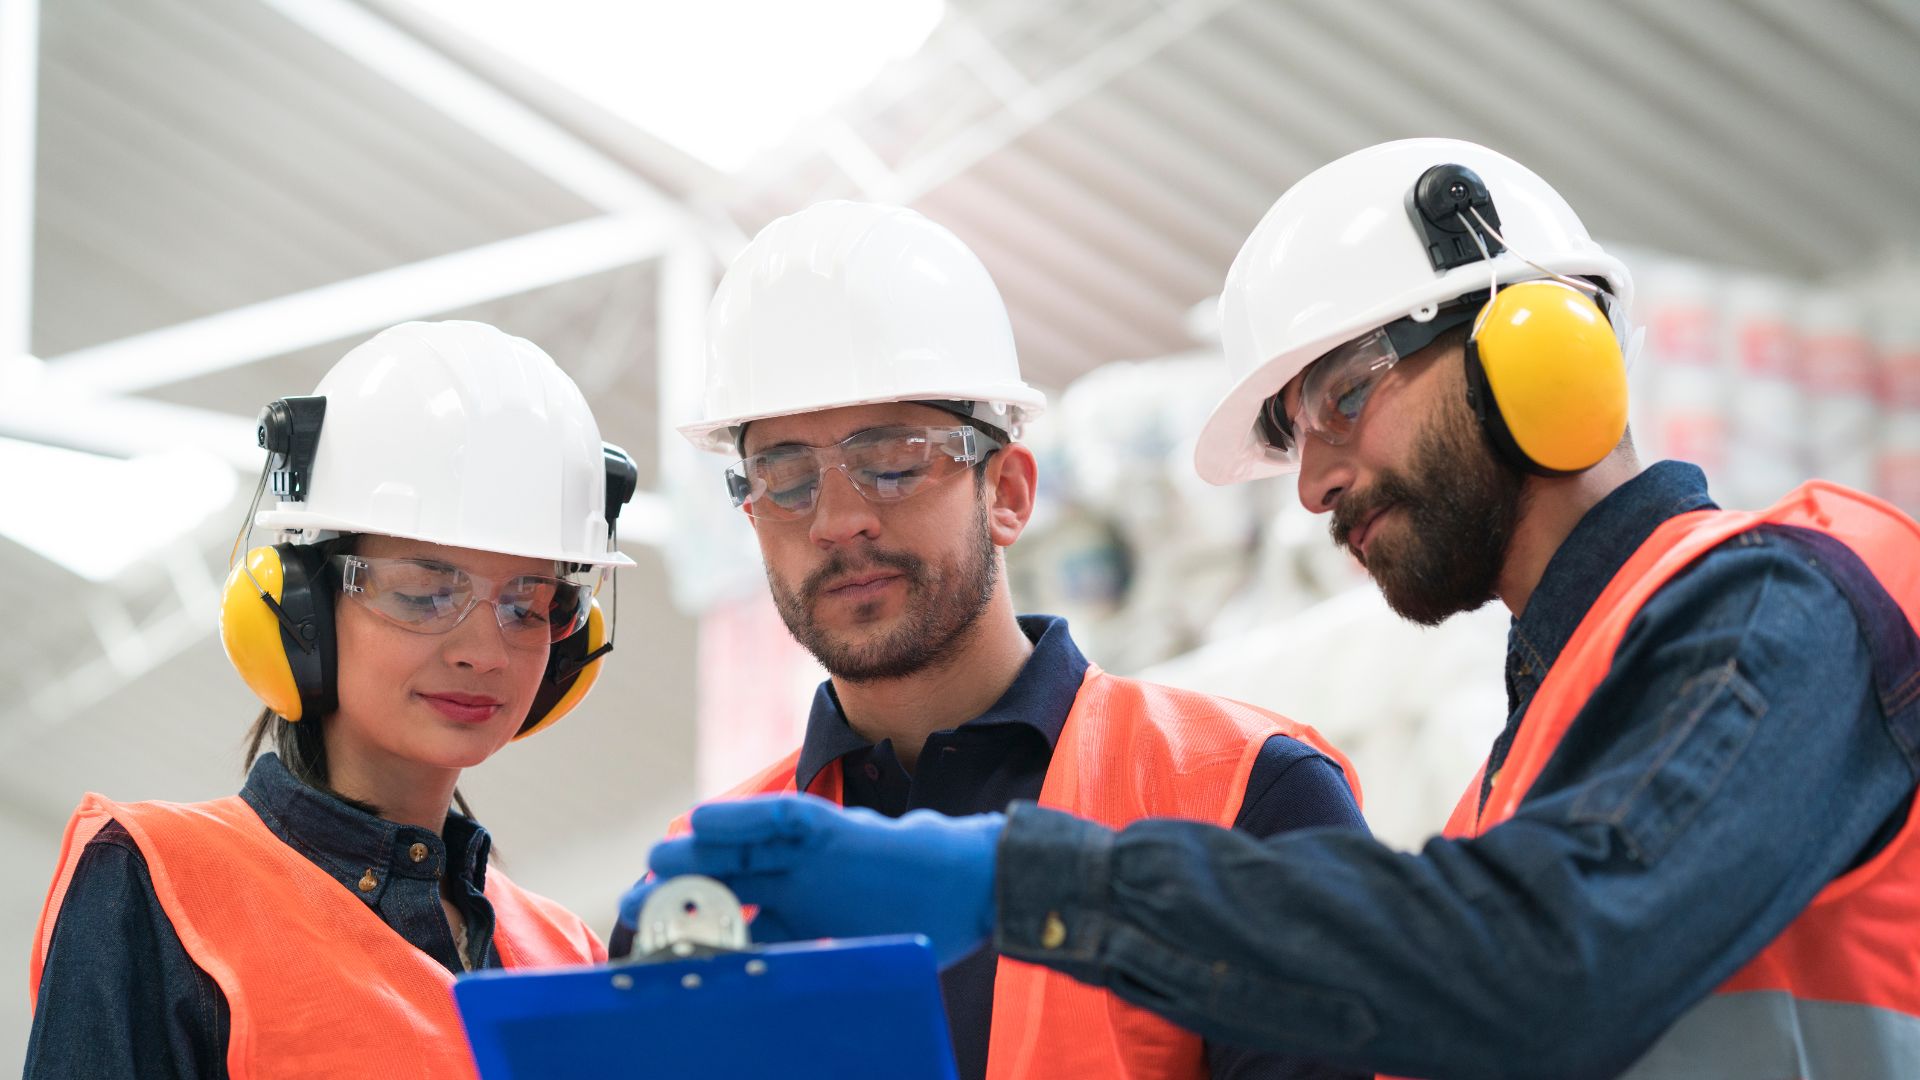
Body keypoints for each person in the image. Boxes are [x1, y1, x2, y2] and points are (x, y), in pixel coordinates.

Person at [645, 142, 1920, 1079]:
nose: (1311, 481)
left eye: (1344, 397)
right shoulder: (1523, 782)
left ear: (1537, 339)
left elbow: (1549, 962)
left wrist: (1009, 876)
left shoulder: (1779, 604)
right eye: (785, 478)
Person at [622, 200, 1369, 1080]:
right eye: (785, 479)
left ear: (1008, 491)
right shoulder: (702, 888)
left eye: (892, 463)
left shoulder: (1247, 795)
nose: (838, 520)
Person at [26, 321, 638, 1079]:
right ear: (303, 607)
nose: (483, 650)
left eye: (527, 602)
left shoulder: (568, 957)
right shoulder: (160, 882)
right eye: (423, 593)